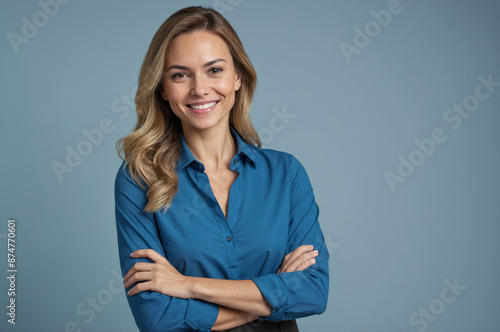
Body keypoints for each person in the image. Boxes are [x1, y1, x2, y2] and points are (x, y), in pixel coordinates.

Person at [114, 6, 329, 331]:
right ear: (162, 89)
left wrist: (188, 285)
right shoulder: (139, 180)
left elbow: (313, 292)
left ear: (237, 77)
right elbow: (157, 318)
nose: (199, 88)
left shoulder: (286, 174)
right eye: (180, 74)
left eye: (214, 70)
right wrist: (272, 294)